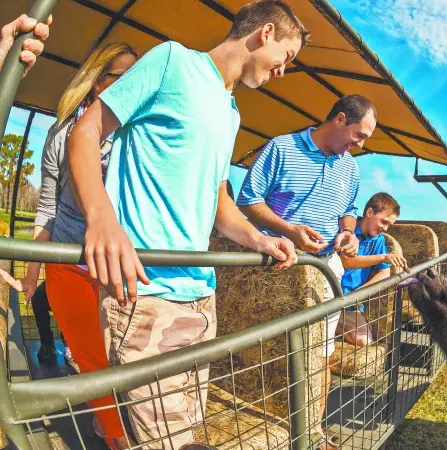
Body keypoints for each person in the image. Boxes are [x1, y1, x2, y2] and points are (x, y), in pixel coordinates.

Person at [66, 1, 305, 447]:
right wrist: (101, 218)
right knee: (166, 441)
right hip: (146, 291)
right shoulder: (172, 60)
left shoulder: (230, 110)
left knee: (186, 430)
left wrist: (259, 238)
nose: (283, 71)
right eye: (286, 58)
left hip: (201, 297)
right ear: (266, 32)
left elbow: (218, 201)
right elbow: (85, 132)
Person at [0, 41, 138, 450]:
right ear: (98, 82)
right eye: (122, 76)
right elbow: (47, 205)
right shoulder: (63, 133)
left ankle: (117, 424)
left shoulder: (141, 133)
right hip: (71, 263)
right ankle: (114, 436)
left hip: (122, 264)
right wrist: (31, 270)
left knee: (126, 357)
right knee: (94, 359)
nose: (133, 85)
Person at [237, 94, 377, 450]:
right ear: (340, 120)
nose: (359, 144)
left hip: (324, 269)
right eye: (358, 135)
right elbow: (248, 201)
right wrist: (289, 230)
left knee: (321, 353)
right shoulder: (281, 148)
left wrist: (348, 231)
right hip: (274, 267)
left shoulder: (350, 167)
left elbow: (349, 208)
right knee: (269, 351)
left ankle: (313, 434)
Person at [336, 192, 408, 346]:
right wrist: (383, 257)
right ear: (369, 212)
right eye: (384, 221)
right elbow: (345, 261)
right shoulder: (346, 231)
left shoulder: (378, 240)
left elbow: (385, 272)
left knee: (364, 341)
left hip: (350, 305)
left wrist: (359, 293)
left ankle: (334, 329)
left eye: (389, 224)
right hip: (328, 300)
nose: (386, 228)